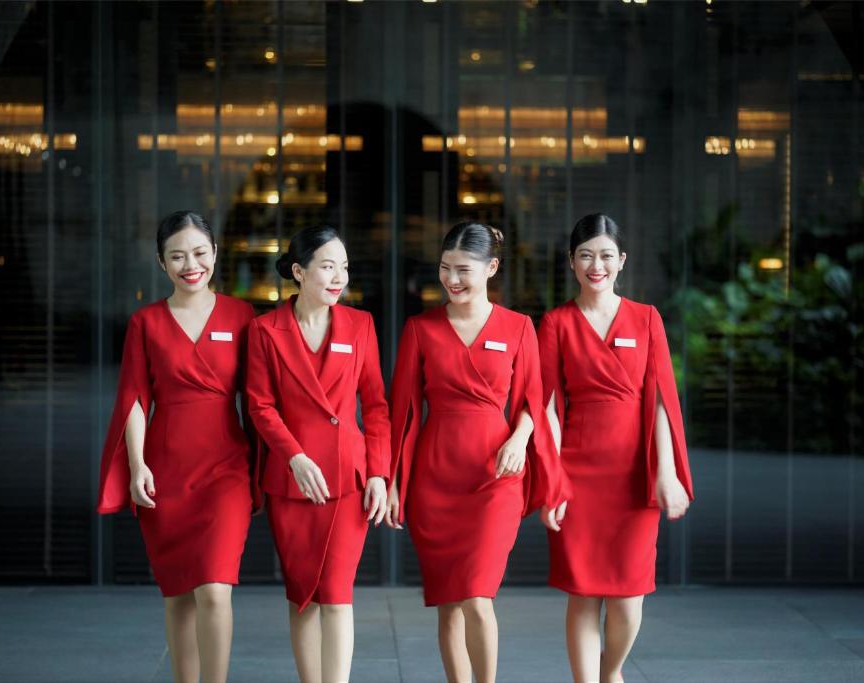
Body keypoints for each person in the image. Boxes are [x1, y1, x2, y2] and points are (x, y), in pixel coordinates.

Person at [386, 221, 569, 683]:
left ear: (491, 268)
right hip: (436, 476)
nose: (452, 280)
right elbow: (402, 413)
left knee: (478, 597)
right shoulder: (420, 329)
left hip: (495, 476)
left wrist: (520, 437)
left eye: (463, 270)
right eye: (445, 268)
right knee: (449, 604)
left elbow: (533, 397)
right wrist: (393, 482)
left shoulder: (519, 326)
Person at [97, 210, 256, 683]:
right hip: (165, 469)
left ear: (215, 253)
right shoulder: (145, 322)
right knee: (177, 593)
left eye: (200, 253)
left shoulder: (242, 315)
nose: (191, 264)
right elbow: (133, 399)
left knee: (215, 589)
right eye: (178, 256)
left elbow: (263, 398)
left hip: (227, 467)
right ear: (161, 263)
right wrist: (138, 463)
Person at [537, 214, 694, 683]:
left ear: (621, 261)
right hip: (577, 473)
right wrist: (553, 481)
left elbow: (662, 400)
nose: (596, 264)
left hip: (634, 472)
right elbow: (546, 406)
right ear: (571, 262)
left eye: (606, 255)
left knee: (629, 596)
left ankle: (611, 670)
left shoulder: (647, 318)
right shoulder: (556, 323)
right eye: (585, 255)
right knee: (582, 592)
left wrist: (666, 471)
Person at [245, 225, 390, 683]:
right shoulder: (264, 331)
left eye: (343, 267)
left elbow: (378, 406)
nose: (338, 277)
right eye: (327, 266)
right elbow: (259, 406)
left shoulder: (361, 324)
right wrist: (293, 455)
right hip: (293, 480)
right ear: (297, 271)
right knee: (302, 591)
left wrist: (379, 474)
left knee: (337, 591)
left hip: (349, 477)